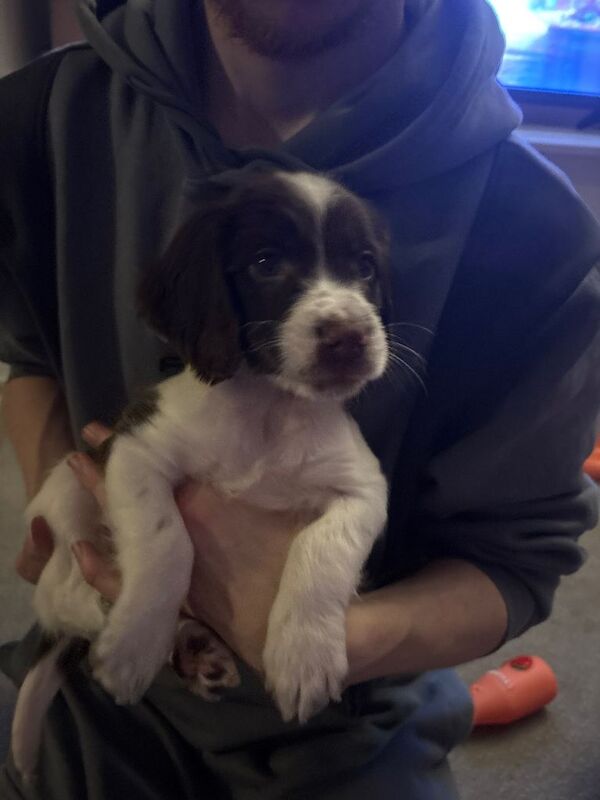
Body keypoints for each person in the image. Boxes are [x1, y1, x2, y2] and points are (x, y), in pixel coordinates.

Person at [1, 0, 599, 797]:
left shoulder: (546, 233)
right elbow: (30, 356)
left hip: (344, 719)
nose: (347, 317)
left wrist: (327, 630)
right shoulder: (38, 116)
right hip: (102, 656)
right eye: (269, 266)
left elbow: (520, 559)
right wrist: (110, 547)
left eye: (361, 274)